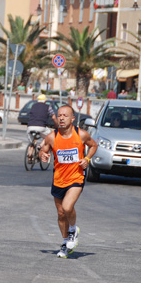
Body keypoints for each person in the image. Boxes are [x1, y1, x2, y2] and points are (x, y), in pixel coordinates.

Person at [39, 105, 98, 258]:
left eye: (65, 115)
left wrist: (86, 159)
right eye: (59, 115)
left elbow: (93, 145)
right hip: (58, 179)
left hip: (76, 177)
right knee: (60, 214)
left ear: (72, 119)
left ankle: (73, 229)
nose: (61, 118)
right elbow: (43, 149)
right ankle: (65, 243)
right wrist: (43, 156)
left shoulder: (81, 135)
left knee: (67, 206)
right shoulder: (52, 136)